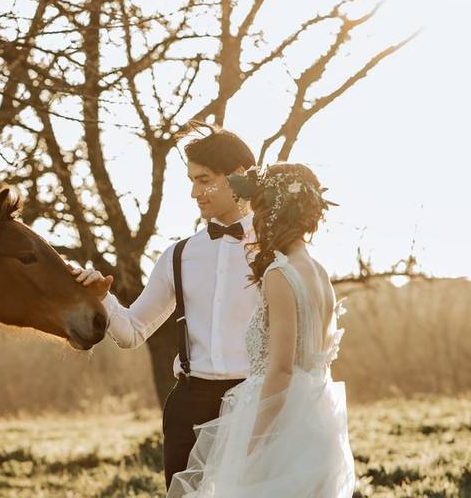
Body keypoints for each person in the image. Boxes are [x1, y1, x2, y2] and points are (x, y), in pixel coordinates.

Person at [73, 123, 263, 488]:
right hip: (188, 409)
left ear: (238, 177)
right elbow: (132, 332)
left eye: (203, 179)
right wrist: (101, 298)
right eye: (190, 180)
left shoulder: (276, 251)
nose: (194, 193)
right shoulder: (178, 255)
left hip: (255, 406)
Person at [166, 163, 354, 496]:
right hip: (314, 421)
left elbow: (280, 369)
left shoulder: (280, 275)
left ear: (273, 214)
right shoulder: (320, 273)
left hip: (277, 423)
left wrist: (253, 444)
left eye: (259, 212)